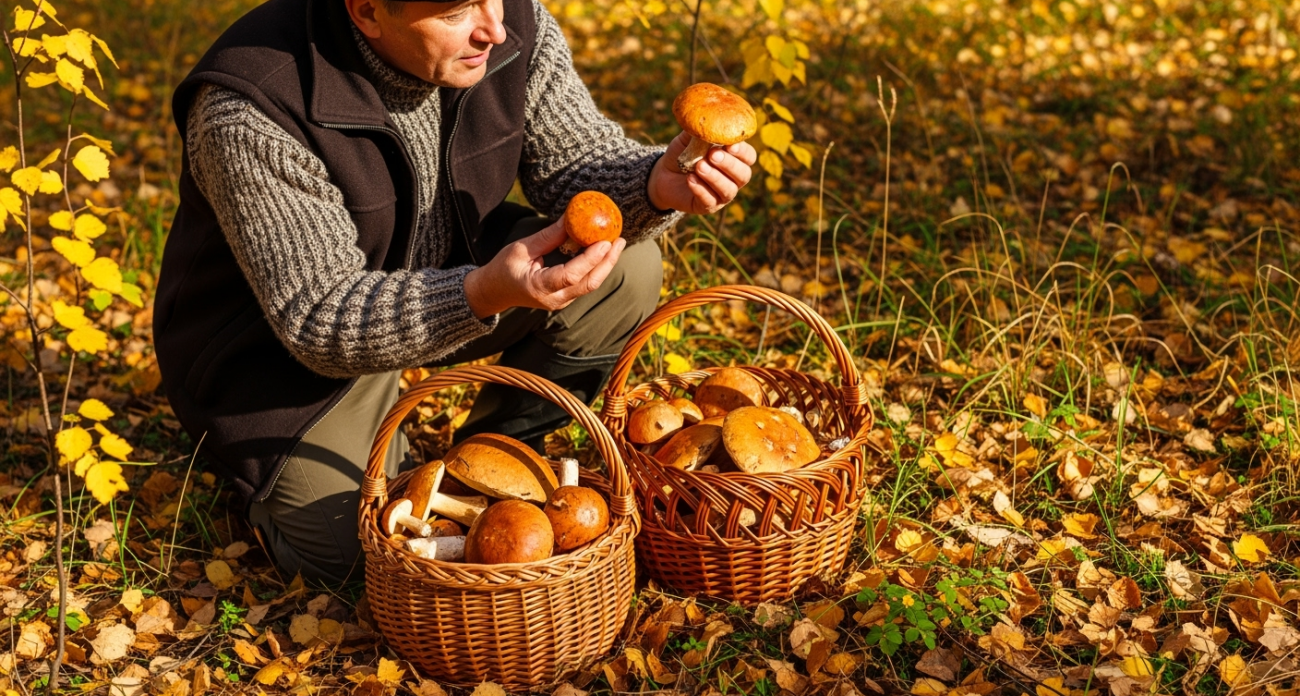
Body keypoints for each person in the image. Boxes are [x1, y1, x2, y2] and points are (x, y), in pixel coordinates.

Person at [153, 0, 755, 583]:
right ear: (366, 12)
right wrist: (482, 293)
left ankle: (503, 460)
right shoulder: (249, 104)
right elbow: (319, 319)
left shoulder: (508, 21)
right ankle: (274, 486)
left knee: (629, 270)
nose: (493, 28)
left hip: (442, 273)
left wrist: (655, 184)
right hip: (280, 355)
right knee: (381, 554)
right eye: (454, 12)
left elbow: (576, 165)